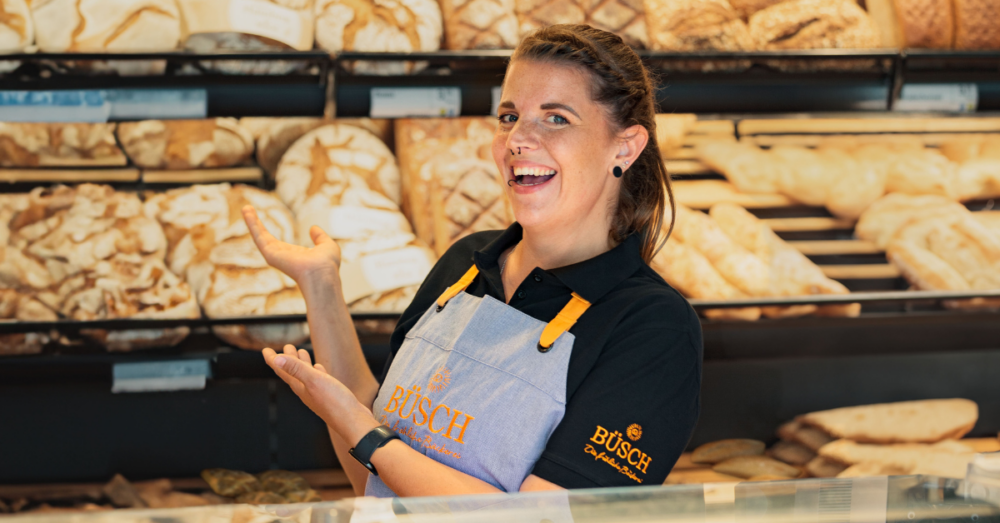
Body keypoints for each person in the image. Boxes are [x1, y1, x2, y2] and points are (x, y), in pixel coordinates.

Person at [242, 24, 703, 497]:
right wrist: (321, 288)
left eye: (556, 118)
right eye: (508, 116)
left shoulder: (652, 327)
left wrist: (366, 435)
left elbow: (541, 518)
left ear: (624, 147)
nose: (517, 140)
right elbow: (373, 476)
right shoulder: (465, 264)